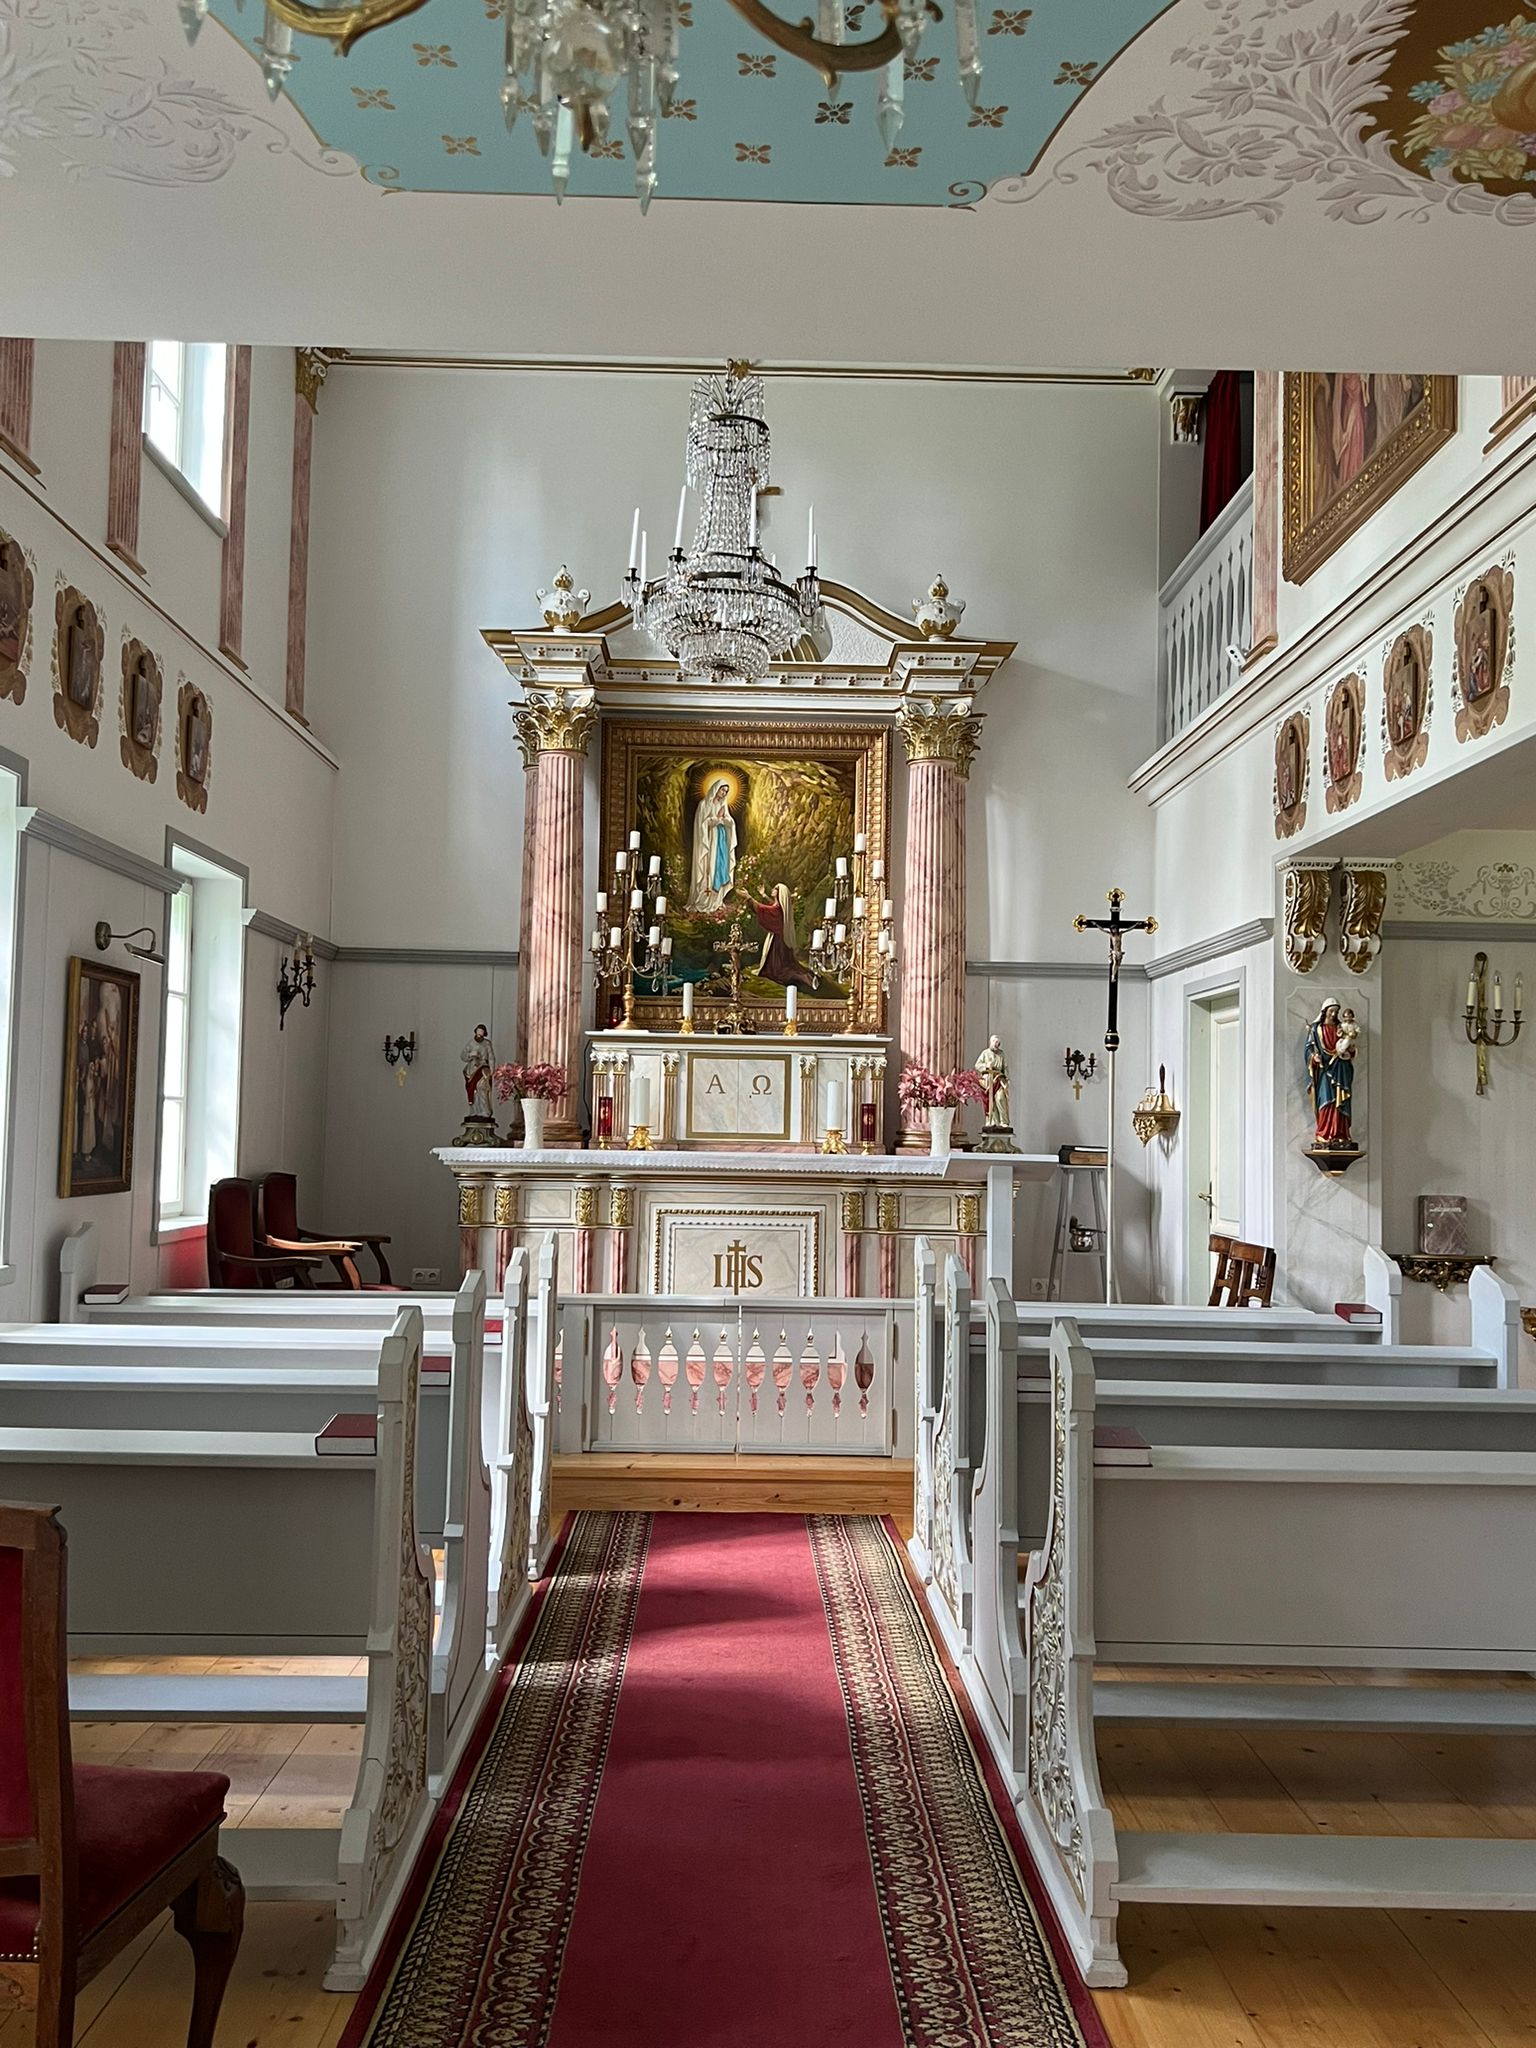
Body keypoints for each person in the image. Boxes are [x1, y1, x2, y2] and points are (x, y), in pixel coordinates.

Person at [1305, 1000, 1355, 1149]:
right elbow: (1308, 1049)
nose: (1333, 1014)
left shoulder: (1341, 1027)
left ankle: (1341, 1134)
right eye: (1331, 1011)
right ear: (1324, 1011)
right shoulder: (1316, 1029)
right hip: (1325, 1070)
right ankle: (1324, 1133)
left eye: (1336, 1012)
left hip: (1341, 1068)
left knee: (1341, 1102)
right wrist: (1314, 1057)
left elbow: (1350, 1047)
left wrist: (1350, 1050)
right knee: (1326, 1100)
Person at [751, 882, 815, 989]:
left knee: (779, 971)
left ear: (779, 893)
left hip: (777, 943)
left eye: (775, 889)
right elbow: (773, 904)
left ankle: (805, 978)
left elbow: (763, 908)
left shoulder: (777, 909)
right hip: (779, 939)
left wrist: (749, 898)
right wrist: (764, 895)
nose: (773, 890)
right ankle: (806, 977)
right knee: (784, 967)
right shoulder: (780, 907)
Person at [689, 779, 737, 914]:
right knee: (707, 867)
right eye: (723, 790)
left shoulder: (723, 805)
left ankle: (716, 900)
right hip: (708, 842)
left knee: (720, 866)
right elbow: (701, 825)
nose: (724, 793)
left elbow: (730, 821)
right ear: (716, 788)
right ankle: (704, 900)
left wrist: (725, 820)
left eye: (726, 791)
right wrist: (715, 820)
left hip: (720, 841)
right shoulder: (704, 804)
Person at [975, 1035, 1011, 1131]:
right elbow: (977, 1065)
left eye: (997, 1043)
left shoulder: (1001, 1054)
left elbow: (1005, 1067)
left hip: (998, 1079)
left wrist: (1006, 1079)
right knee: (990, 1101)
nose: (996, 1045)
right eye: (994, 1042)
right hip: (988, 1080)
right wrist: (986, 1066)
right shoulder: (985, 1053)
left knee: (1000, 1098)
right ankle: (992, 1121)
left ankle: (1004, 1121)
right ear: (990, 1042)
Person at [461, 1024, 495, 1121]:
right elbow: (463, 1055)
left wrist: (492, 1069)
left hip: (482, 1069)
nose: (480, 1033)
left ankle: (484, 1110)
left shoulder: (487, 1044)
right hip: (471, 1069)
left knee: (482, 1088)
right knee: (472, 1090)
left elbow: (491, 1057)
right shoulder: (471, 1043)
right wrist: (470, 1055)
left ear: (484, 1033)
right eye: (478, 1031)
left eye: (482, 1032)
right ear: (475, 1031)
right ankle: (474, 1111)